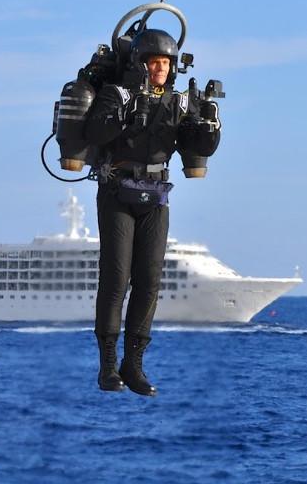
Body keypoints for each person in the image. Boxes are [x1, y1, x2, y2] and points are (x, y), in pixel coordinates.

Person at [84, 29, 221, 396]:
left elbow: (197, 145)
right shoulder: (117, 94)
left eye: (165, 63)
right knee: (116, 279)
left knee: (149, 282)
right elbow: (95, 133)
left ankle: (134, 364)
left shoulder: (179, 102)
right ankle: (107, 366)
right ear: (140, 64)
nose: (160, 69)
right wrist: (126, 115)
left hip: (156, 195)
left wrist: (210, 126)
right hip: (117, 191)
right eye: (154, 62)